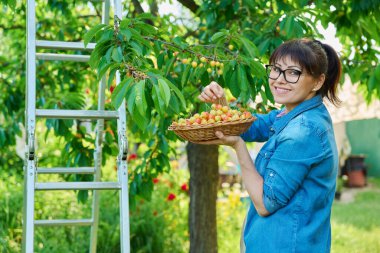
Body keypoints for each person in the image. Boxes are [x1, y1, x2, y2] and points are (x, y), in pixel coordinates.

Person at [197, 38, 341, 253]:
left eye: (293, 73)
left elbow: (265, 204)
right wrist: (222, 107)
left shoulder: (304, 131)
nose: (279, 80)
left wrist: (238, 147)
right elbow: (253, 126)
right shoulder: (293, 113)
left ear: (318, 82)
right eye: (276, 69)